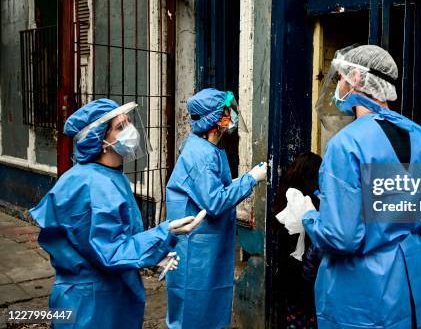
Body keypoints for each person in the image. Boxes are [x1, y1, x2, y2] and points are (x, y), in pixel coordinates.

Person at [302, 45, 421, 328]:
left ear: (356, 78)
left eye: (341, 77)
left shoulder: (347, 144)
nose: (339, 85)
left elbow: (342, 237)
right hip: (409, 280)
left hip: (361, 290)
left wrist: (308, 216)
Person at [29, 98, 205, 329]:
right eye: (120, 127)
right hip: (90, 304)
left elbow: (119, 238)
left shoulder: (111, 176)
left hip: (109, 293)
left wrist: (154, 256)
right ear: (100, 140)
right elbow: (108, 252)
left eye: (129, 123)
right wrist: (164, 233)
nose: (130, 131)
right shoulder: (91, 184)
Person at [165, 88, 268, 329]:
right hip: (197, 252)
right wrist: (250, 179)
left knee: (205, 308)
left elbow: (210, 190)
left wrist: (239, 182)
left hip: (205, 248)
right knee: (196, 311)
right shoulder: (200, 155)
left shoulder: (204, 150)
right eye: (226, 112)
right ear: (214, 119)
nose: (231, 116)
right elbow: (215, 201)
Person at [272, 152, 323, 329]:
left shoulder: (285, 194)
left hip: (288, 273)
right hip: (306, 276)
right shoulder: (309, 201)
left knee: (293, 319)